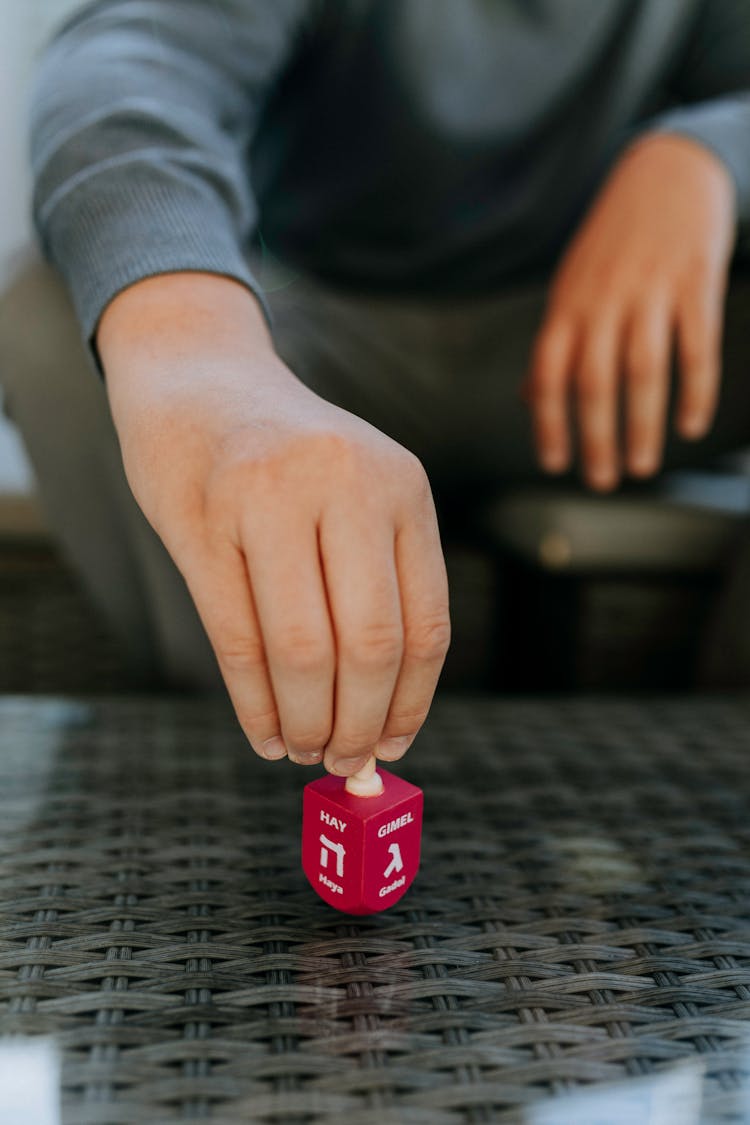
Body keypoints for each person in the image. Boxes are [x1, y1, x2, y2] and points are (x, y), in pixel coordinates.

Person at [2, 0, 749, 775]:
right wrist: (199, 347)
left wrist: (709, 156)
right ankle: (251, 760)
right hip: (317, 341)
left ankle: (721, 770)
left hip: (591, 354)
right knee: (50, 315)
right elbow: (130, 61)